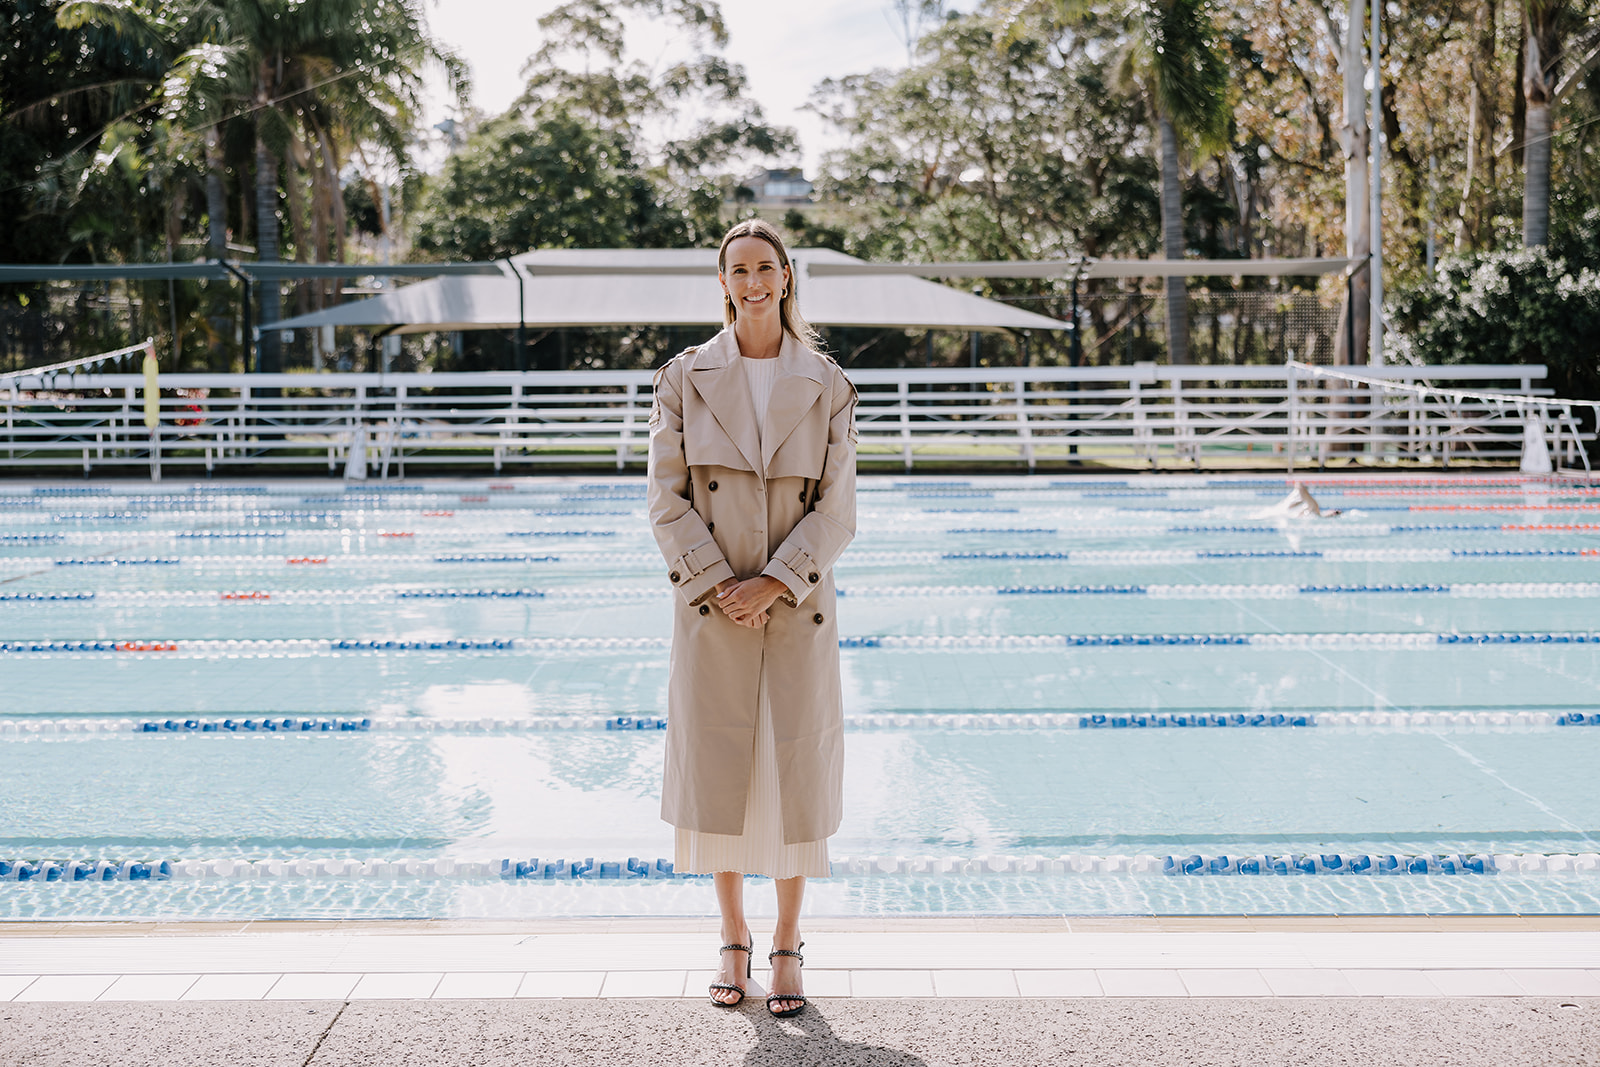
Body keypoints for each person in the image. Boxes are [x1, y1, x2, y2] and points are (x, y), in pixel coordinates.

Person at [646, 219, 857, 1017]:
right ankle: (732, 937)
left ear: (788, 276)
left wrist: (773, 580)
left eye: (766, 266)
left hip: (794, 608)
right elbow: (664, 497)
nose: (754, 281)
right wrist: (717, 584)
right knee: (724, 779)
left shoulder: (827, 382)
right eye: (739, 269)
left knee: (793, 778)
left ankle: (788, 943)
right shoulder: (686, 376)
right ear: (724, 282)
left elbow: (838, 509)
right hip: (713, 610)